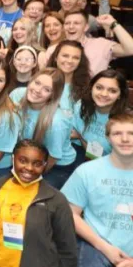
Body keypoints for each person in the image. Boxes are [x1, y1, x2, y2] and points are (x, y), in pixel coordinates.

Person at [0, 140, 78, 267]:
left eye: (37, 164)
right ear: (13, 159)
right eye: (23, 161)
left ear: (45, 165)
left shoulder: (56, 200)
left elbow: (68, 250)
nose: (29, 168)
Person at [62, 113, 133, 267]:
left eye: (131, 133)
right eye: (117, 133)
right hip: (97, 246)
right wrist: (104, 247)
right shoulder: (87, 171)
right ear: (108, 138)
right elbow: (69, 213)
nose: (125, 139)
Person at [9, 68, 76, 189]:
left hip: (56, 166)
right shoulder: (17, 94)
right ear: (31, 80)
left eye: (47, 89)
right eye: (37, 83)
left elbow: (53, 157)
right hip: (26, 155)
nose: (37, 90)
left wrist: (30, 179)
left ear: (53, 95)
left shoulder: (56, 122)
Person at [45, 11, 133, 76]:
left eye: (76, 23)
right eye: (67, 23)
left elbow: (130, 49)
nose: (71, 27)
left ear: (86, 27)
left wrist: (113, 24)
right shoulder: (53, 49)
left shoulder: (101, 44)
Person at [72, 70, 129, 162]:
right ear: (91, 88)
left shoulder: (125, 123)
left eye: (112, 91)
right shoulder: (81, 106)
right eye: (99, 88)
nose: (104, 94)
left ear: (120, 95)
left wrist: (80, 137)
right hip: (77, 151)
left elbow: (100, 157)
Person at [46, 40, 90, 115]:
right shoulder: (43, 83)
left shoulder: (87, 89)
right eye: (65, 56)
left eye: (75, 58)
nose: (70, 61)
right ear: (56, 57)